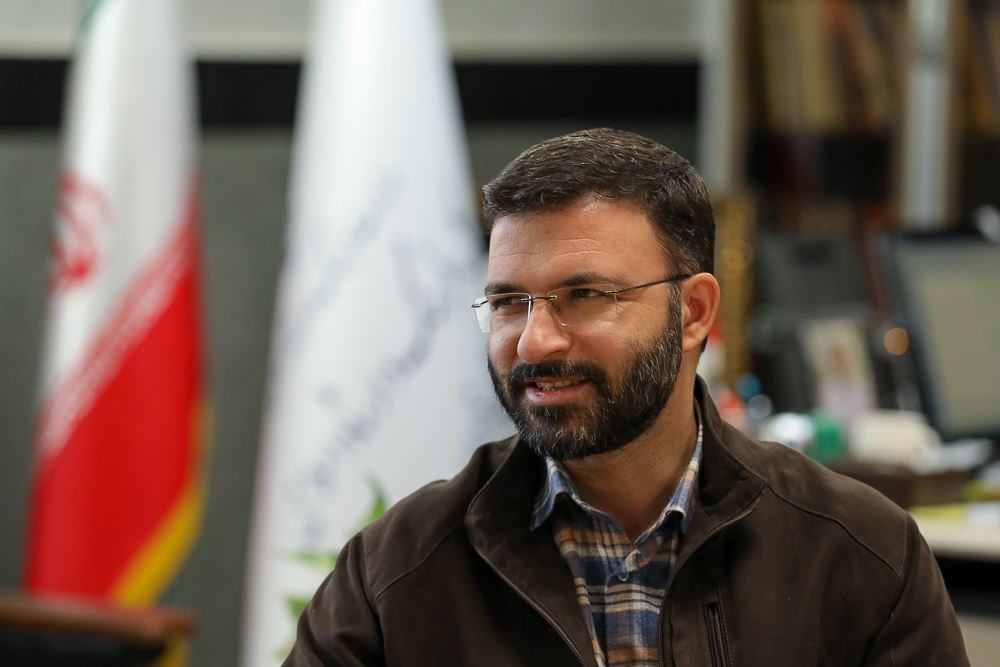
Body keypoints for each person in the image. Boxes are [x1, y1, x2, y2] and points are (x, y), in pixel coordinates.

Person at [285, 129, 968, 667]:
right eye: (509, 302)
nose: (535, 341)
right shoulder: (394, 574)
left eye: (585, 294)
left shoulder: (861, 556)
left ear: (694, 312)